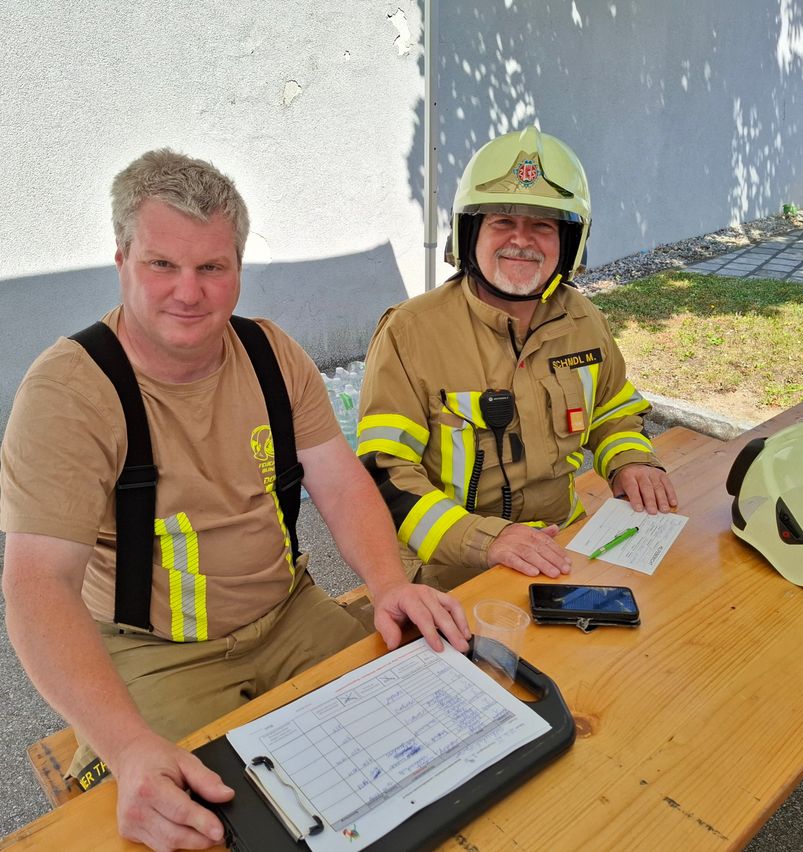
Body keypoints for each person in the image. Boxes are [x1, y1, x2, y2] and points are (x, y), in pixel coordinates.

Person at [0, 149, 470, 851]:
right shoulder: (69, 391)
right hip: (155, 653)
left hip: (291, 614)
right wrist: (127, 749)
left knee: (431, 742)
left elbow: (339, 482)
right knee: (215, 827)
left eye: (212, 267)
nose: (189, 291)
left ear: (238, 269)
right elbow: (37, 584)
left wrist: (388, 583)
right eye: (163, 264)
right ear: (122, 258)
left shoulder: (270, 352)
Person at [357, 126, 677, 591]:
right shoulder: (411, 332)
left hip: (563, 548)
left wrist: (631, 461)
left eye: (542, 225)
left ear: (569, 243)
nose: (521, 240)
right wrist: (486, 539)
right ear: (470, 233)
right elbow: (384, 476)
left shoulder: (583, 320)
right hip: (453, 572)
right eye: (502, 221)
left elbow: (614, 410)